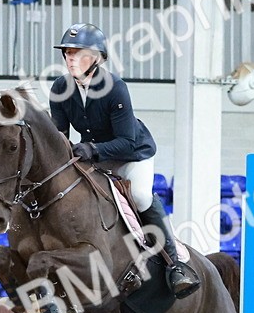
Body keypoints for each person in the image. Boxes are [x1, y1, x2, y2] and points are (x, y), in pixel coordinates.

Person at [48, 22, 199, 298]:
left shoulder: (115, 88)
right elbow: (59, 136)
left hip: (131, 154)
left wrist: (91, 150)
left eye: (78, 53)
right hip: (94, 155)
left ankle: (175, 265)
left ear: (96, 58)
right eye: (67, 53)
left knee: (140, 196)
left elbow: (126, 141)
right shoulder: (60, 88)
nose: (70, 58)